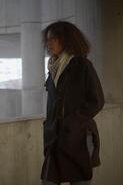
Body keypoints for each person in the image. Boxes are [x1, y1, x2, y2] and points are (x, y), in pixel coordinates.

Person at [41, 21, 104, 185]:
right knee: (47, 181)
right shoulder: (53, 70)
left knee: (79, 181)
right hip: (55, 138)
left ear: (66, 39)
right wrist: (49, 127)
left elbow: (96, 101)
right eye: (47, 39)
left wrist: (72, 122)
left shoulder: (82, 65)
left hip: (79, 137)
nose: (48, 43)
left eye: (53, 38)